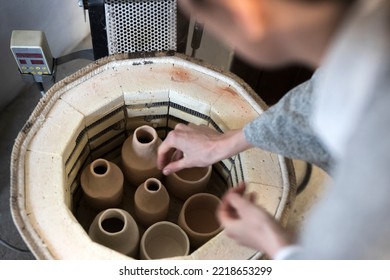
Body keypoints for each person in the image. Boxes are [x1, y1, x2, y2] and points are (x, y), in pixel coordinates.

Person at [157, 0, 390, 259]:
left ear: (247, 13)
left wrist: (275, 244)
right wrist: (225, 143)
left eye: (207, 23)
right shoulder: (374, 31)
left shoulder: (377, 154)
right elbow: (314, 100)